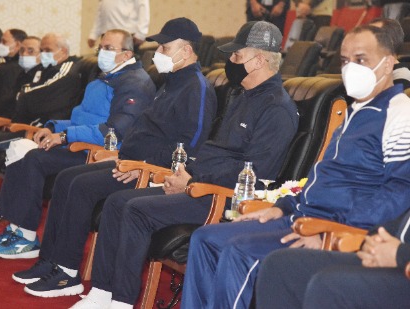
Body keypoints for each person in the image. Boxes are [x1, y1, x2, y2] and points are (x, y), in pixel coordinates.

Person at [0, 16, 216, 297]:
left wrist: (143, 165)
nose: (158, 54)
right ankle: (51, 261)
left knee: (80, 186)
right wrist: (119, 155)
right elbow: (142, 132)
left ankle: (67, 275)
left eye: (164, 48)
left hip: (152, 172)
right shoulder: (171, 83)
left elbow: (189, 145)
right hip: (128, 161)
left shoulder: (197, 88)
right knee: (67, 179)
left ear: (186, 51)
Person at [68, 21, 299, 307]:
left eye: (237, 56)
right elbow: (216, 152)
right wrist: (186, 174)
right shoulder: (244, 96)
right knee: (117, 202)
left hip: (221, 196)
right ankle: (102, 292)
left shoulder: (276, 107)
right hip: (198, 182)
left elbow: (255, 173)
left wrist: (191, 182)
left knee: (136, 210)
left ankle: (122, 301)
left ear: (259, 60)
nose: (230, 62)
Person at [182, 23, 410, 309]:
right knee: (206, 239)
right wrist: (282, 206)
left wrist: (332, 229)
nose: (351, 68)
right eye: (345, 61)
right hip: (298, 217)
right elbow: (321, 183)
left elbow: (399, 192)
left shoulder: (399, 113)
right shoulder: (356, 111)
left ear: (388, 63)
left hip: (331, 227)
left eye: (361, 60)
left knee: (239, 251)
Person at [0, 29, 156, 224]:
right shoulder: (101, 80)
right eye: (101, 47)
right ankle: (13, 228)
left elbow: (113, 131)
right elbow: (80, 119)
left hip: (97, 150)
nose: (102, 52)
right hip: (80, 140)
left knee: (33, 158)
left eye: (108, 48)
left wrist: (65, 136)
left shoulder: (134, 83)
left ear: (127, 54)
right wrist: (53, 127)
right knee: (19, 150)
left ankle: (24, 233)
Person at [255, 209, 410, 309]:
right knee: (282, 266)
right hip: (396, 254)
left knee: (331, 286)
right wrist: (372, 244)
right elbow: (399, 223)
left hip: (404, 266)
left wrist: (399, 254)